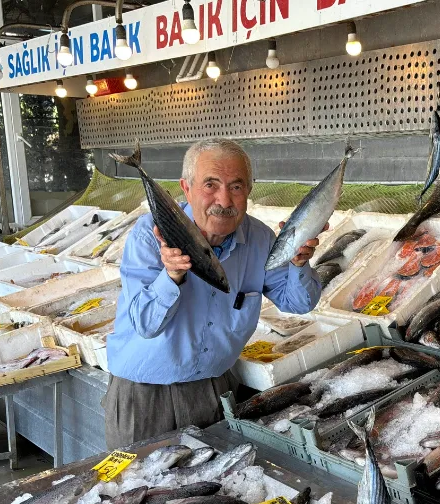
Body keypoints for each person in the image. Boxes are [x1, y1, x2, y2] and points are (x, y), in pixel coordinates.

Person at [103, 138, 323, 448]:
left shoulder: (260, 238)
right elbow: (146, 324)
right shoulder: (151, 234)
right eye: (210, 184)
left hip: (216, 390)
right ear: (186, 187)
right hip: (145, 397)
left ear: (249, 189)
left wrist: (300, 263)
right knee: (142, 490)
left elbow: (298, 303)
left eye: (236, 186)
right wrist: (172, 275)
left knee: (216, 487)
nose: (224, 199)